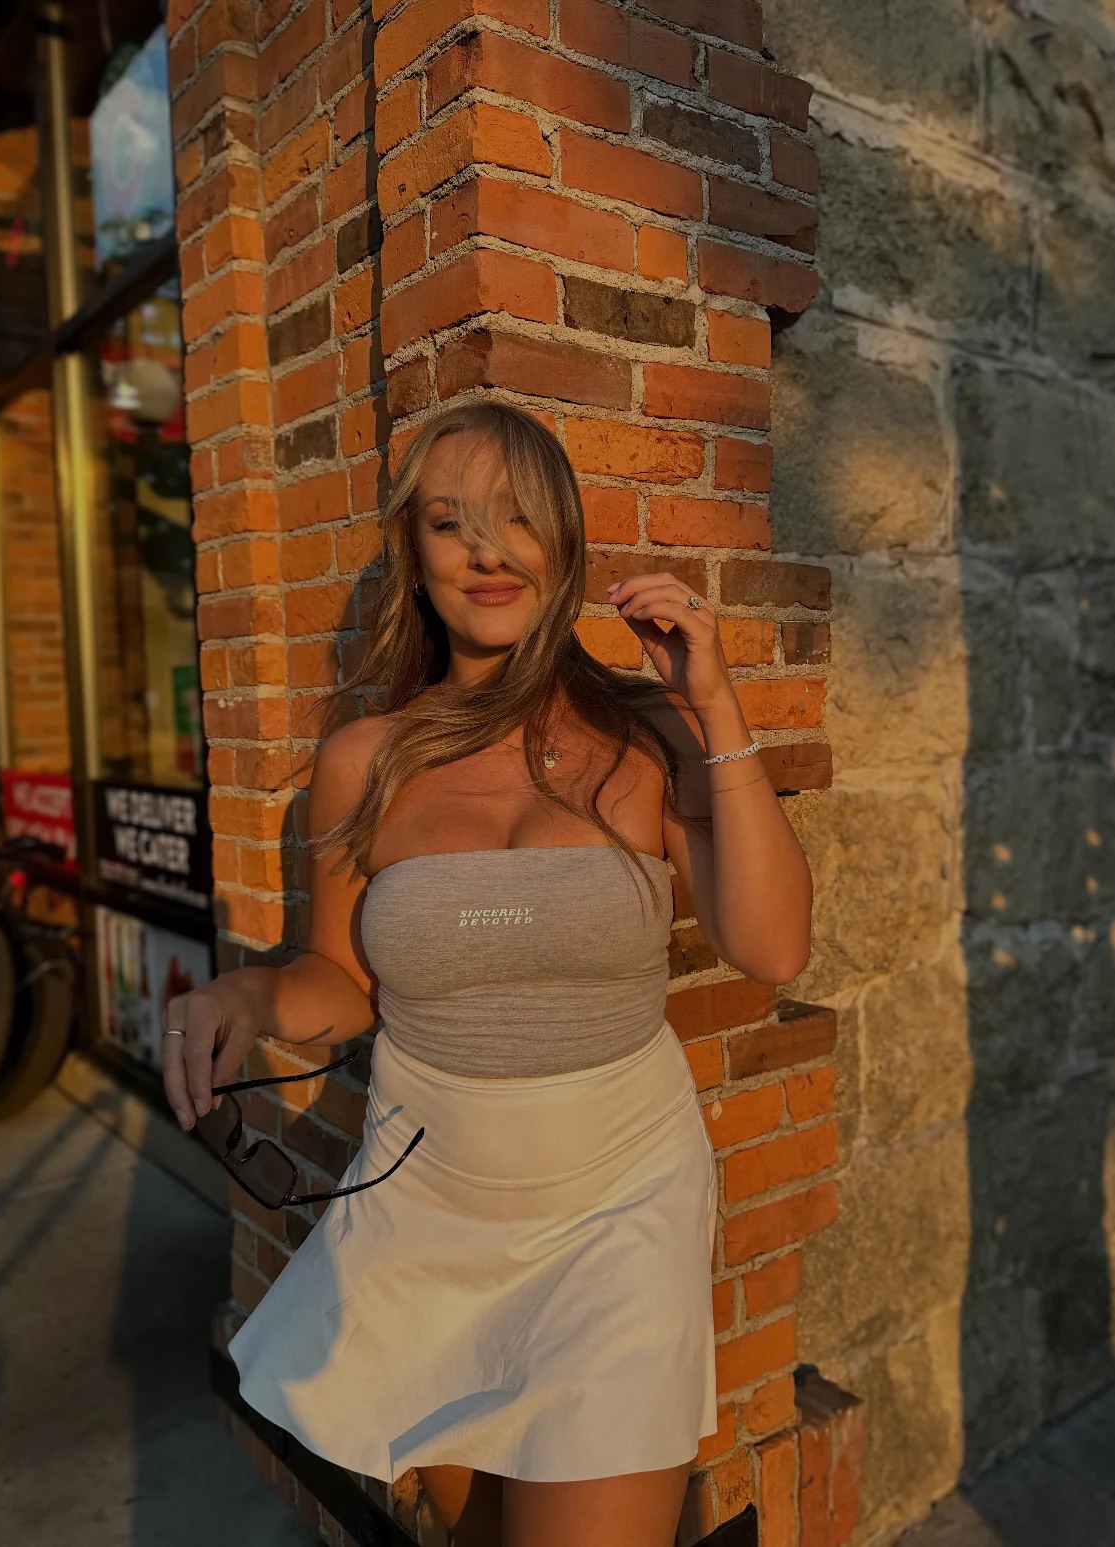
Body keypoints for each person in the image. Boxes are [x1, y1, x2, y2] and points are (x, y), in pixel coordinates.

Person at [160, 400, 814, 1547]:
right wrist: (246, 997)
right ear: (413, 555)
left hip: (618, 1200)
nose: (484, 549)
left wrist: (715, 706)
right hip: (430, 1207)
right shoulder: (365, 762)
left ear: (561, 539)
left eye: (515, 516)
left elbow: (771, 946)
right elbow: (339, 978)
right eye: (447, 521)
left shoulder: (649, 734)